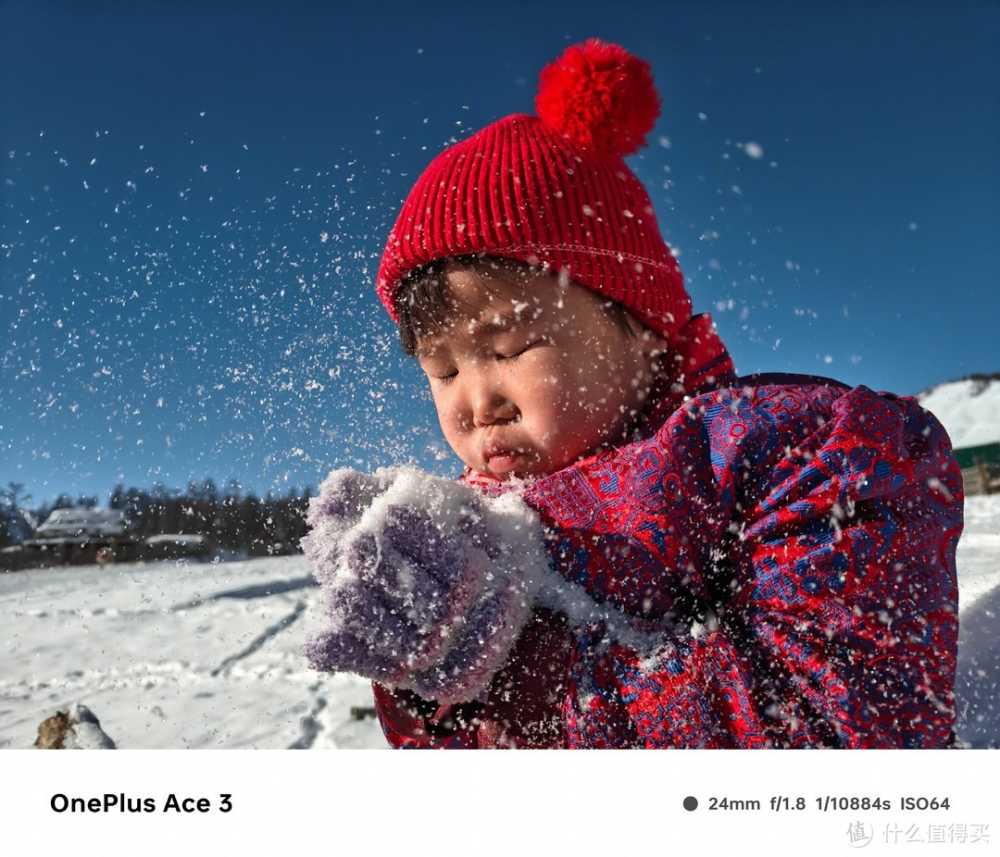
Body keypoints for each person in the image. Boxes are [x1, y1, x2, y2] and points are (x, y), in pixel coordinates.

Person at [302, 38, 963, 748]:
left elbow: (844, 724)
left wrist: (527, 669)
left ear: (641, 324)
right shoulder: (478, 529)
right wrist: (428, 670)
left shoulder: (789, 452)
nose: (476, 403)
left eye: (508, 348)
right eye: (444, 370)